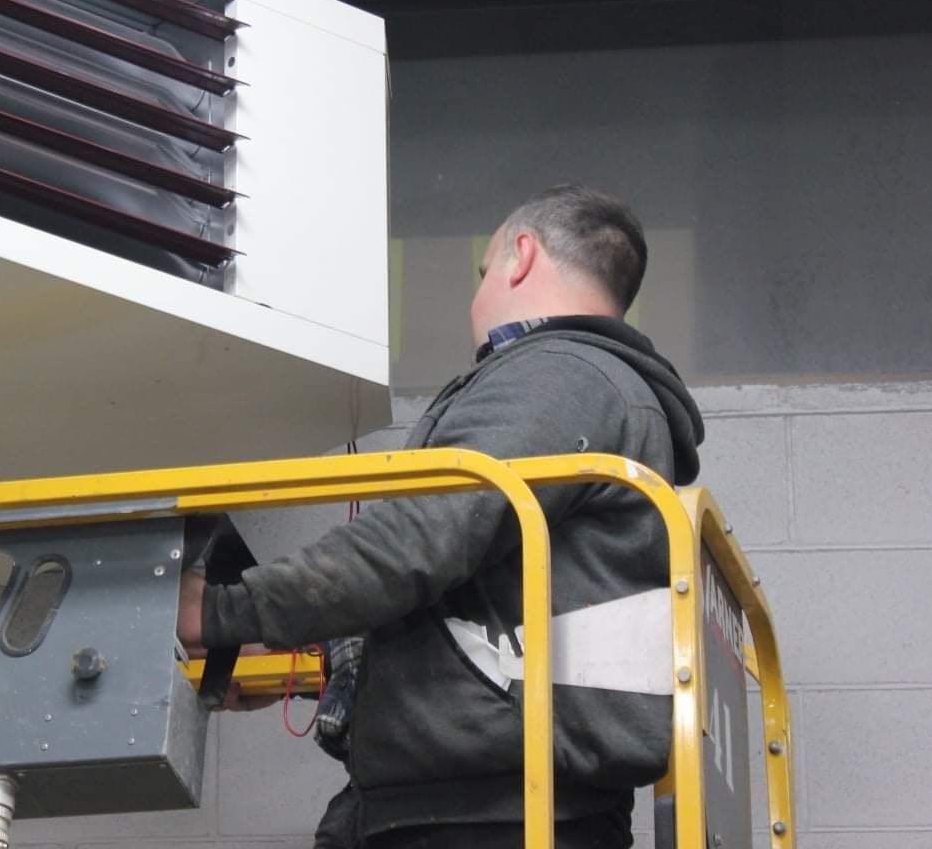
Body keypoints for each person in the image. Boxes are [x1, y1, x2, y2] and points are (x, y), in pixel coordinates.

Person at [177, 185, 704, 848]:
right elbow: (484, 619)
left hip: (487, 819)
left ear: (520, 257)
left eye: (482, 274)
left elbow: (417, 544)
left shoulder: (558, 376)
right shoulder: (592, 391)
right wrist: (306, 657)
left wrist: (217, 611)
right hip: (484, 805)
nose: (476, 299)